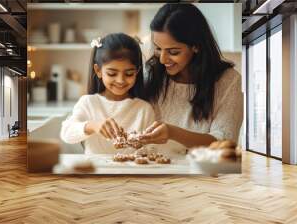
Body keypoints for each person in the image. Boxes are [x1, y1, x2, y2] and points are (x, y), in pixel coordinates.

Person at [140, 3, 243, 154]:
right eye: (158, 48)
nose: (162, 59)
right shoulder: (150, 75)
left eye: (173, 51)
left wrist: (173, 133)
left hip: (204, 173)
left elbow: (225, 143)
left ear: (196, 46)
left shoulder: (228, 81)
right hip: (154, 170)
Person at [60, 33, 155, 154]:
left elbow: (151, 149)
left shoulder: (144, 109)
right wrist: (93, 126)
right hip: (95, 170)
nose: (120, 80)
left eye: (129, 74)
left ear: (137, 71)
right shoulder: (89, 103)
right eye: (112, 73)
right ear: (98, 70)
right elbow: (66, 134)